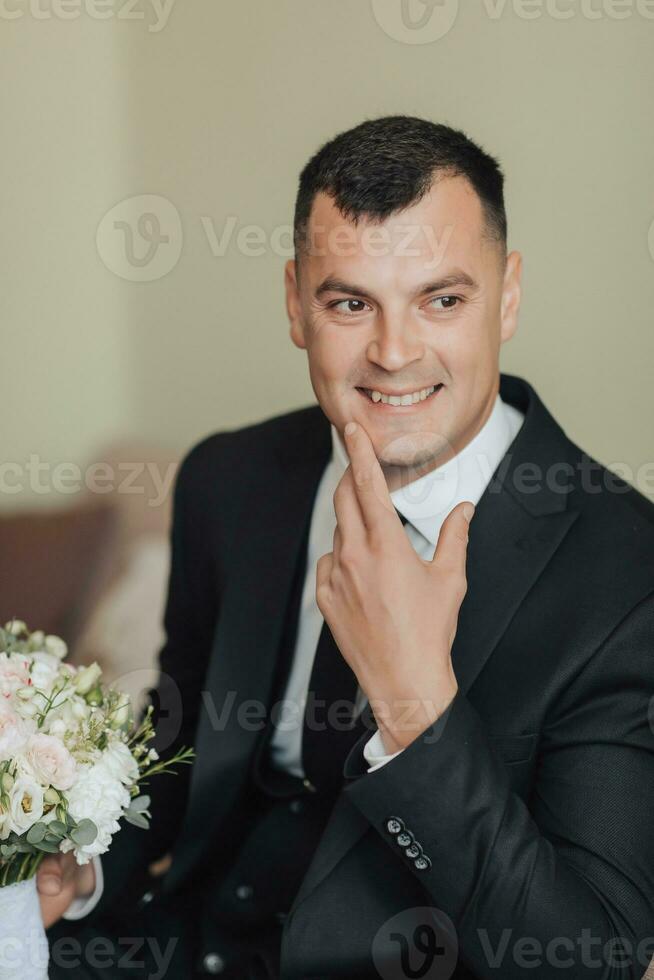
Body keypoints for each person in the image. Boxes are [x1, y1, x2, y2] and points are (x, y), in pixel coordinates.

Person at [43, 115, 654, 979]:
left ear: (508, 296)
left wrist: (416, 709)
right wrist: (85, 870)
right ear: (296, 302)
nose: (395, 353)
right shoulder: (230, 480)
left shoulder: (626, 570)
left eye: (443, 300)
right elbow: (176, 754)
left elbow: (587, 958)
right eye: (349, 302)